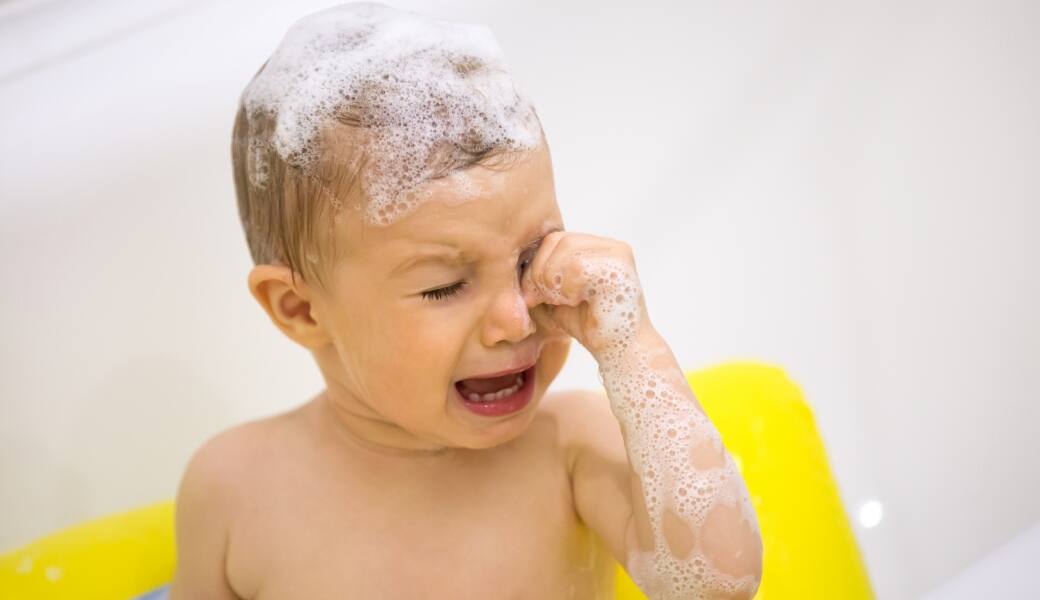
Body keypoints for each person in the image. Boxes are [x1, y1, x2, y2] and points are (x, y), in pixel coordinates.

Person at [170, 3, 762, 598]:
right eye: (444, 286)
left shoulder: (570, 445)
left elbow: (718, 586)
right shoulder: (234, 489)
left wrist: (633, 345)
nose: (514, 319)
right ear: (299, 309)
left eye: (533, 258)